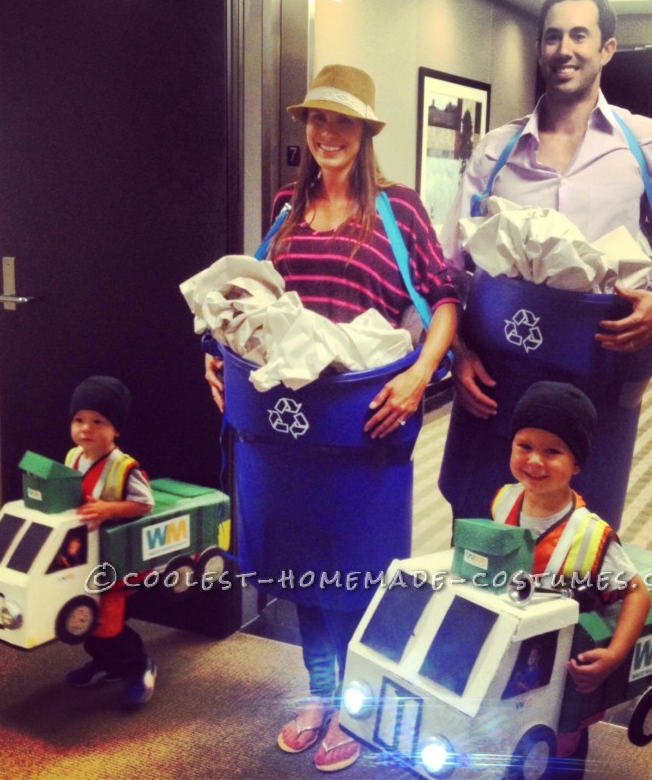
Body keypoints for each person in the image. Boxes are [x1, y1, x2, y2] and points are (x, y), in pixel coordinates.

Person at [205, 65, 458, 772]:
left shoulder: (398, 210)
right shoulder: (289, 206)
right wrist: (221, 351)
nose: (327, 134)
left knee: (357, 568)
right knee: (299, 565)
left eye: (342, 121)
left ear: (366, 132)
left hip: (361, 419)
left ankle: (359, 700)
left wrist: (416, 377)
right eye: (317, 120)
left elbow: (443, 298)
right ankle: (320, 692)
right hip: (287, 426)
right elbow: (253, 298)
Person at [438, 0, 652, 524]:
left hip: (598, 368)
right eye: (552, 36)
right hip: (498, 370)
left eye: (579, 35)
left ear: (606, 49)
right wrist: (458, 352)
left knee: (578, 534)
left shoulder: (646, 146)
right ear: (539, 47)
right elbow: (451, 268)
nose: (564, 49)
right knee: (481, 522)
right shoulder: (496, 151)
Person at [493, 380, 651, 777]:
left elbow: (637, 593)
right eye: (524, 446)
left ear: (577, 463)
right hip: (509, 661)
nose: (534, 461)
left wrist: (614, 656)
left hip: (562, 675)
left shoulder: (592, 535)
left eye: (553, 451)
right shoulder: (503, 500)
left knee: (558, 753)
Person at [63, 375, 157, 708]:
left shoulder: (124, 467)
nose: (85, 428)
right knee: (86, 620)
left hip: (116, 561)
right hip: (82, 559)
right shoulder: (73, 457)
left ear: (115, 429)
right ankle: (105, 663)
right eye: (79, 420)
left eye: (98, 421)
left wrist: (109, 509)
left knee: (109, 624)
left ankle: (136, 666)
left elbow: (145, 504)